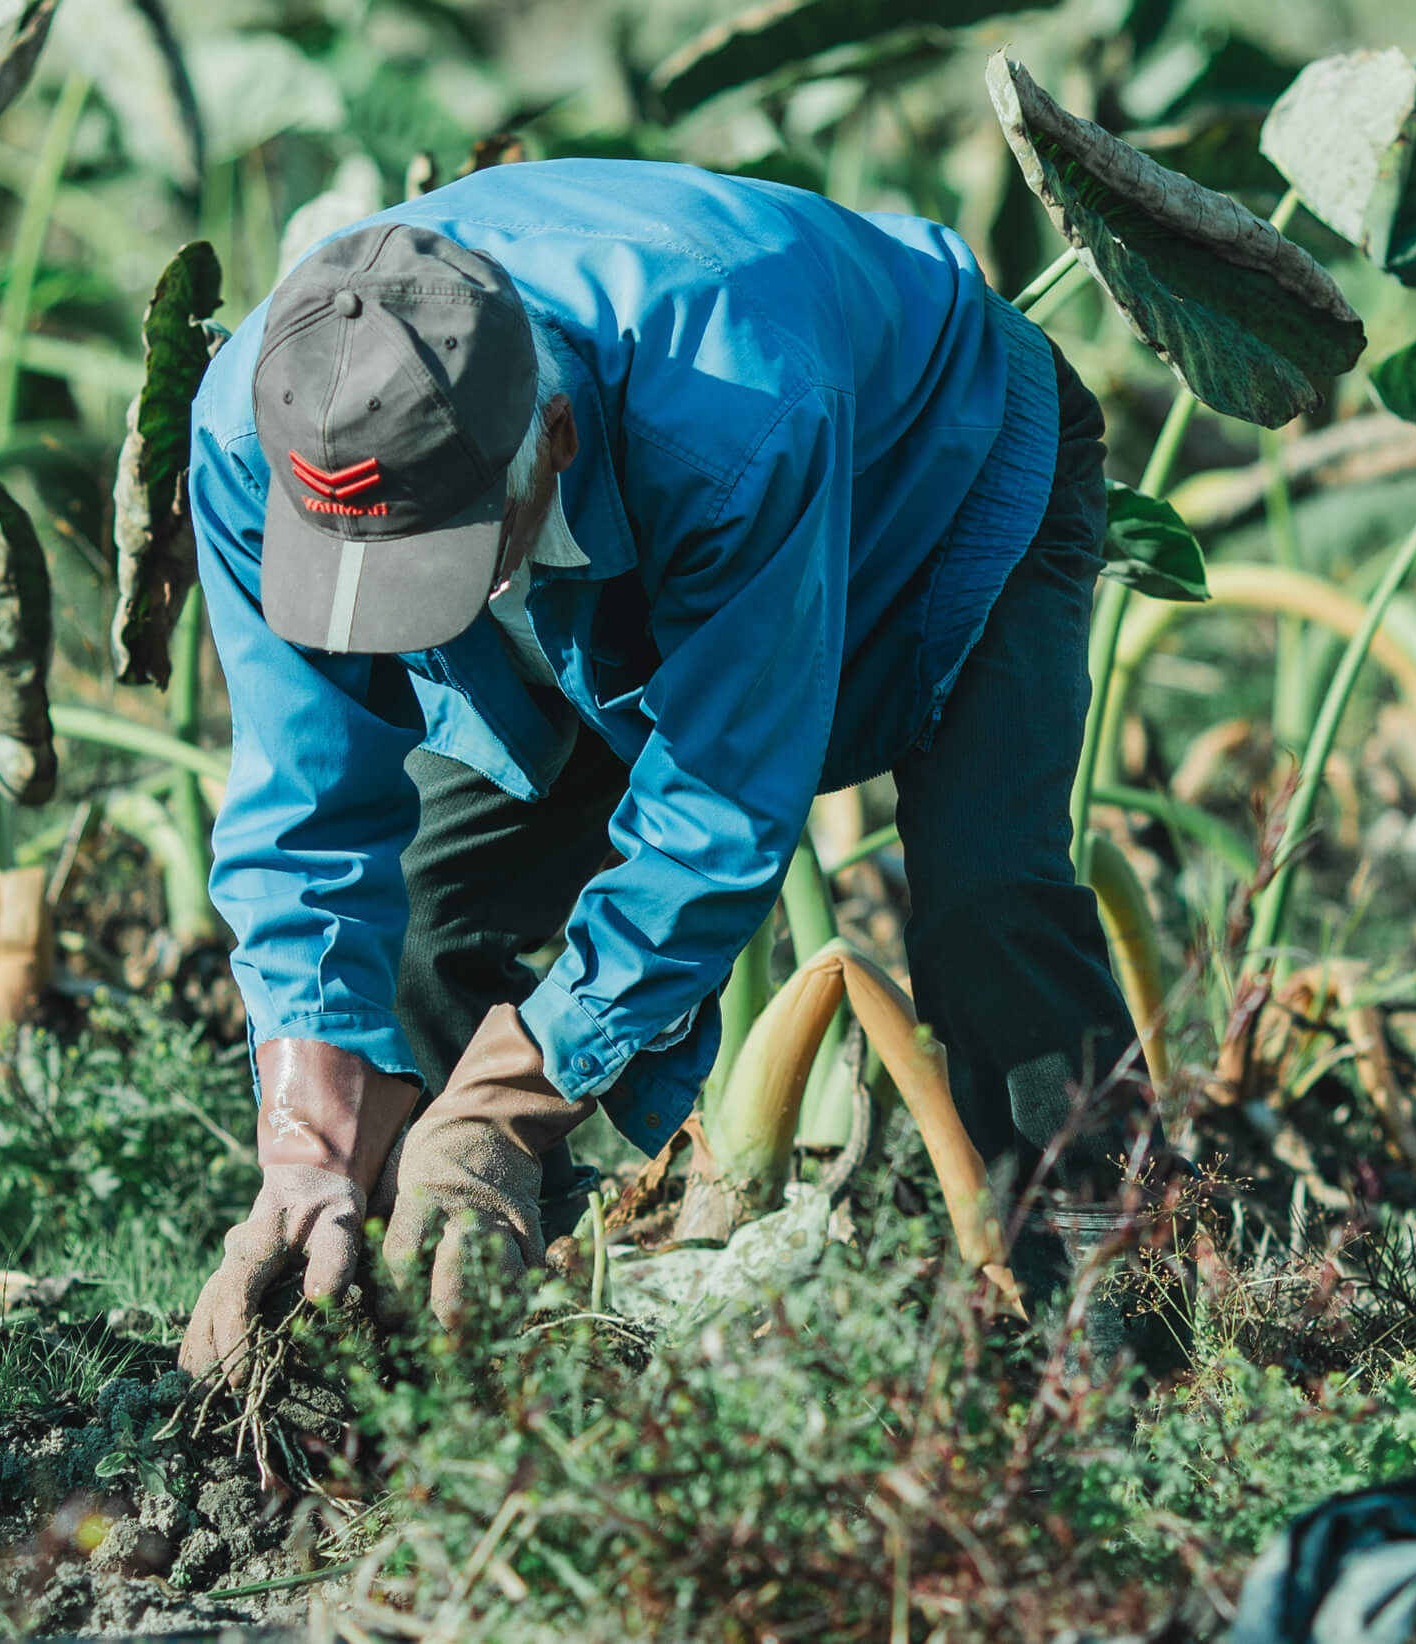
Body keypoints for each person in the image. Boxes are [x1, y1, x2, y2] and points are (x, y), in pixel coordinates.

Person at [176, 157, 1158, 1372]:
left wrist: (507, 1101)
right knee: (426, 913)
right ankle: (446, 1335)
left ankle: (1114, 1330)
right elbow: (301, 802)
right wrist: (303, 1146)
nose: (413, 623)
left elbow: (719, 810)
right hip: (605, 551)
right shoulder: (254, 432)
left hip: (940, 469)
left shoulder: (737, 405)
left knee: (986, 900)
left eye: (445, 571)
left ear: (552, 434)